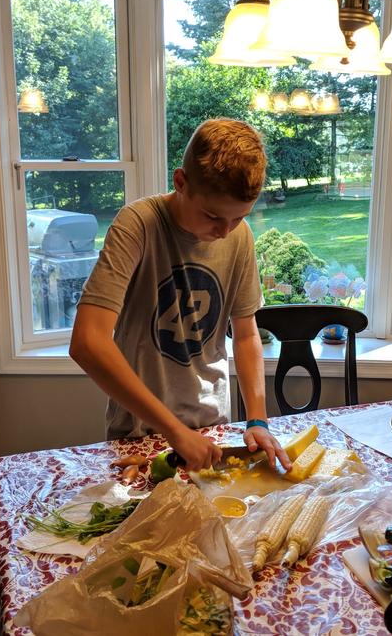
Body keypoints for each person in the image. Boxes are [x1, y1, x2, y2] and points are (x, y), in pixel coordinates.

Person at [70, 118, 291, 473]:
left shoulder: (239, 236)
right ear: (180, 182)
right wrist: (174, 431)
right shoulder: (138, 225)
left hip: (212, 430)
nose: (224, 231)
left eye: (238, 218)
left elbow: (246, 334)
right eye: (212, 216)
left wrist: (258, 420)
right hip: (137, 434)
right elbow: (87, 341)